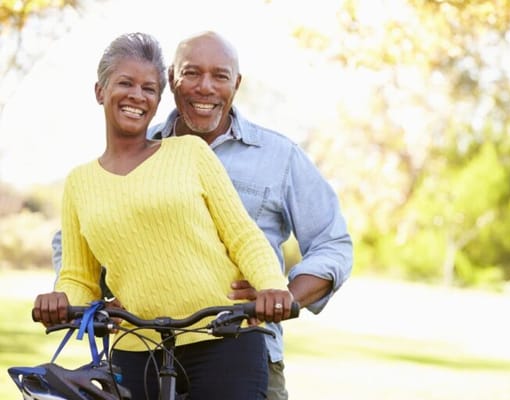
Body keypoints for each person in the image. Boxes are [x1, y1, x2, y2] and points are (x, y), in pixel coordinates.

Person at [52, 30, 353, 400]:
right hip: (138, 343)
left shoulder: (274, 155)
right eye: (192, 74)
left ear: (236, 84)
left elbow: (260, 238)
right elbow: (75, 264)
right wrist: (88, 304)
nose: (205, 87)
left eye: (220, 76)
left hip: (231, 340)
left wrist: (278, 295)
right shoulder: (91, 177)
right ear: (173, 81)